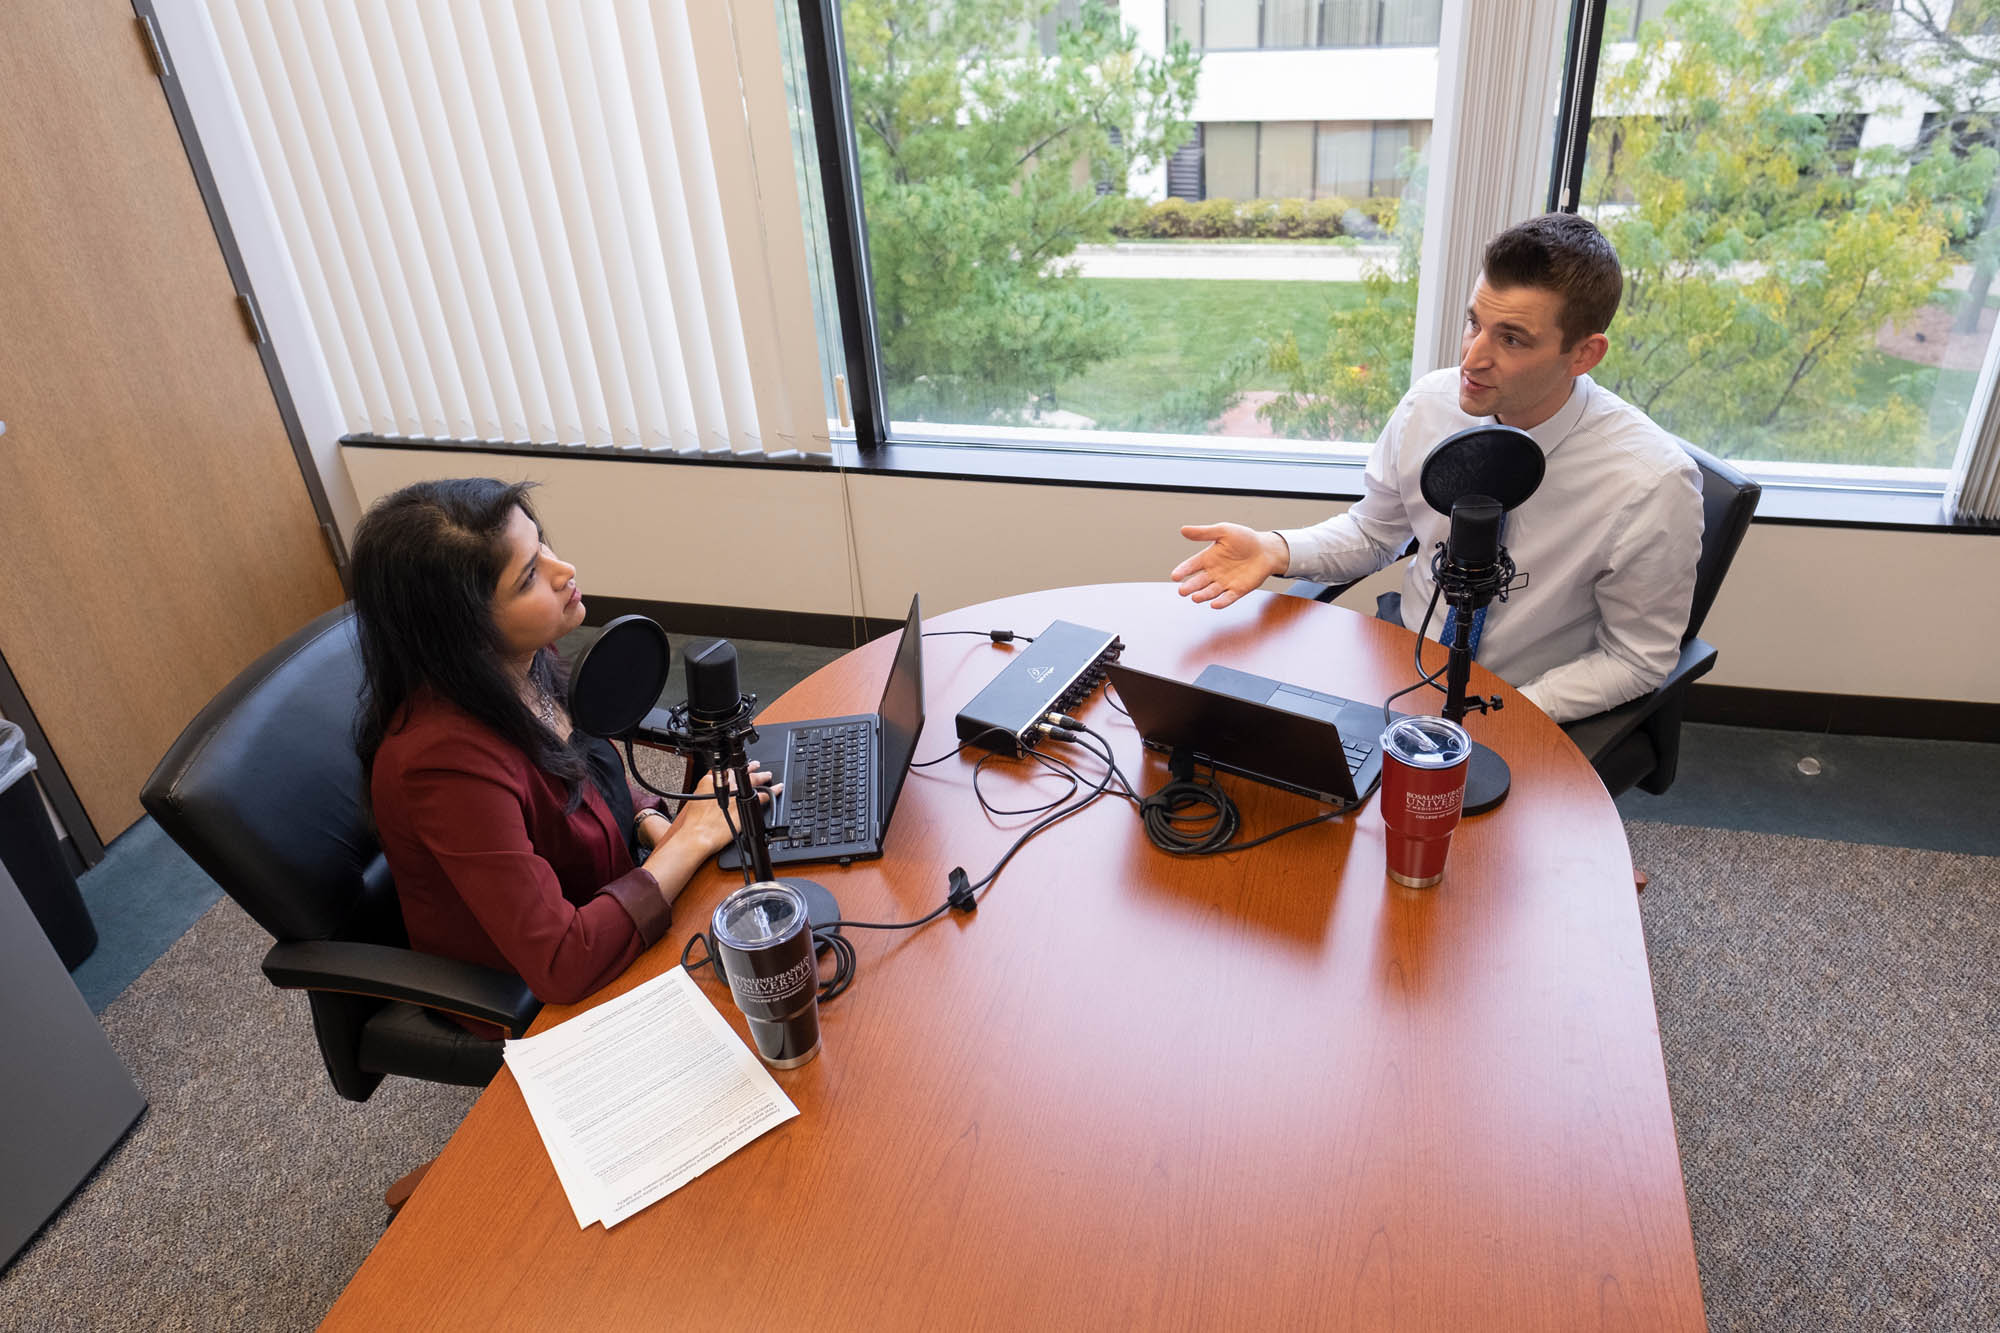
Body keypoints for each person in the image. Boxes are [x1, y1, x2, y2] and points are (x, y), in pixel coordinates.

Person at [1170, 212, 1703, 724]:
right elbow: (1375, 533)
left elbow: (1636, 659)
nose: (1471, 359)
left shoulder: (1651, 483)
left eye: (1511, 339)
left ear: (1584, 354)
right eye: (1475, 323)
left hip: (1527, 700)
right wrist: (1275, 549)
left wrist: (1508, 713)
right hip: (1404, 662)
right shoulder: (1431, 406)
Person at [352, 478, 771, 1009]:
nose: (562, 570)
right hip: (541, 993)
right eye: (529, 576)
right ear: (463, 630)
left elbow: (586, 770)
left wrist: (655, 824)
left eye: (541, 544)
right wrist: (689, 840)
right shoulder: (442, 767)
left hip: (611, 896)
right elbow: (561, 962)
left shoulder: (521, 661)